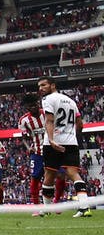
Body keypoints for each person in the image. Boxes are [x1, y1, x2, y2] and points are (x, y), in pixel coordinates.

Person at [37, 76, 91, 217]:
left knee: (49, 174)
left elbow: (49, 120)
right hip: (71, 142)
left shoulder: (47, 99)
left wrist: (51, 139)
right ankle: (85, 207)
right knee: (74, 173)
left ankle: (47, 209)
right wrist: (72, 136)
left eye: (44, 85)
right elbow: (80, 124)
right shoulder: (71, 101)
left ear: (53, 85)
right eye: (39, 86)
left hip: (53, 143)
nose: (41, 88)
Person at [18, 94, 47, 215]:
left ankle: (55, 204)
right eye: (30, 106)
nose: (33, 107)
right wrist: (28, 147)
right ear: (27, 108)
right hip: (37, 152)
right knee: (35, 178)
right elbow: (23, 138)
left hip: (52, 151)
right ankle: (36, 207)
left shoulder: (47, 113)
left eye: (35, 105)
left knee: (58, 176)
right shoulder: (23, 120)